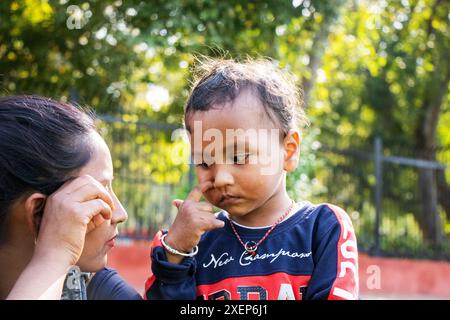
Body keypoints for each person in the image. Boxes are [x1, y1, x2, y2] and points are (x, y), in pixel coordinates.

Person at [144, 58, 359, 300]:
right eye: (204, 162)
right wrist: (176, 255)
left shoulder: (323, 228)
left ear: (288, 151)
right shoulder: (195, 243)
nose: (221, 178)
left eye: (238, 156)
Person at [0, 95, 141, 300]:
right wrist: (54, 257)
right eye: (98, 193)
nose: (120, 213)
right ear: (38, 211)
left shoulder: (104, 293)